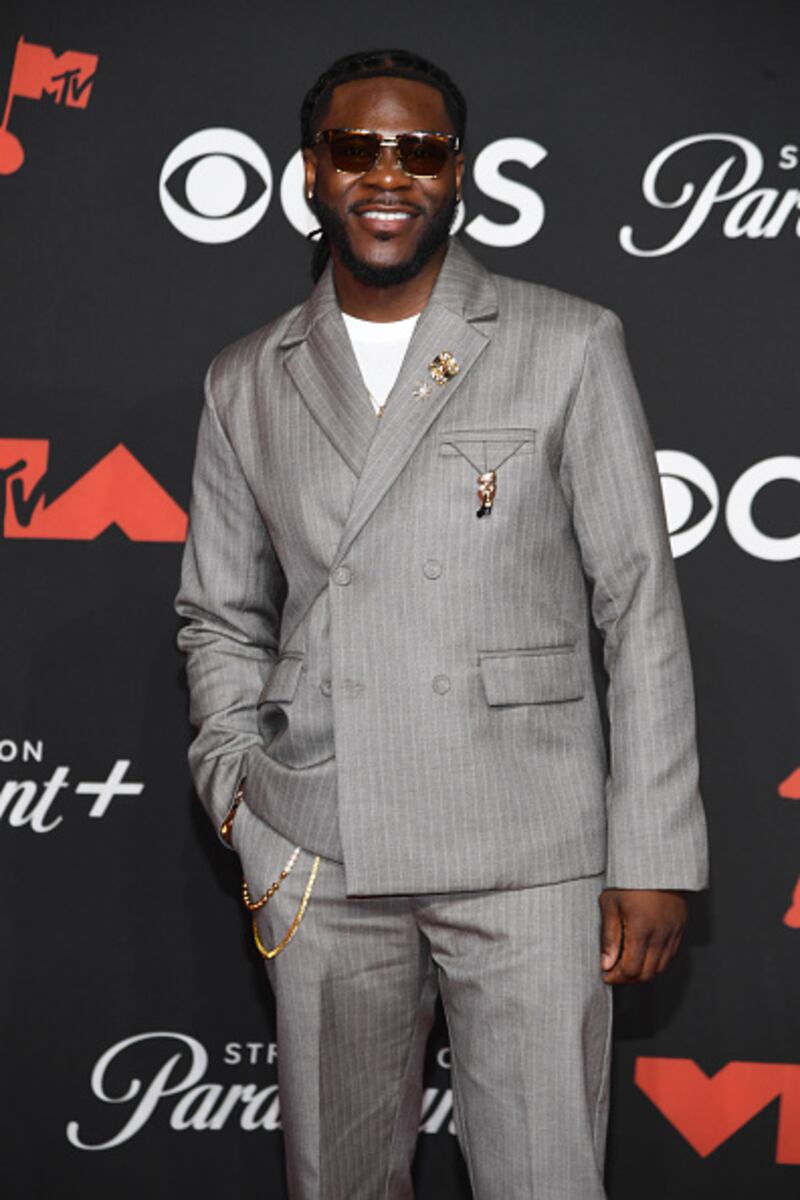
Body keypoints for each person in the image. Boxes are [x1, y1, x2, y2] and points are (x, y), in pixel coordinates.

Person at [175, 47, 708, 1200]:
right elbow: (218, 615)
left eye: (416, 150)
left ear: (457, 172)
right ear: (311, 172)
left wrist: (653, 852)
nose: (387, 174)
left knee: (542, 1180)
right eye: (355, 148)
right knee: (338, 1182)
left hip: (527, 849)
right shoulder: (245, 378)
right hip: (320, 847)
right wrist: (238, 794)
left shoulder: (565, 342)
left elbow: (637, 605)